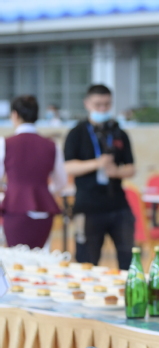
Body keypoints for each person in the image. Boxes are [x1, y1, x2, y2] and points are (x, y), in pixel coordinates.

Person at [64, 84, 136, 270]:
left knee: (128, 260)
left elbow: (131, 168)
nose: (103, 109)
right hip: (88, 206)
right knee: (87, 262)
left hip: (118, 205)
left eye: (107, 104)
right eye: (98, 105)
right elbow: (68, 166)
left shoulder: (119, 133)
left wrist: (117, 172)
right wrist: (97, 163)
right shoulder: (77, 133)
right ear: (87, 104)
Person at [0, 95, 67, 248]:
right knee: (40, 256)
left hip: (15, 206)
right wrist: (43, 190)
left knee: (16, 257)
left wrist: (9, 189)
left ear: (15, 115)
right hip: (44, 207)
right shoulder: (51, 145)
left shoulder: (5, 143)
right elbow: (61, 181)